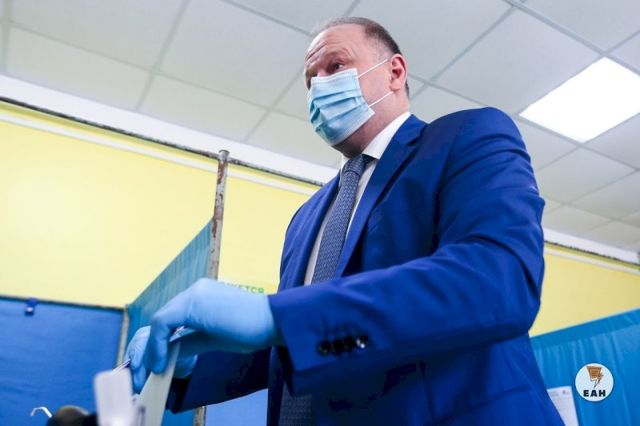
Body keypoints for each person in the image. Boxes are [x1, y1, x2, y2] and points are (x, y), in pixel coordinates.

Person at [126, 17, 563, 425]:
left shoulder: (467, 137)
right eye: (310, 80)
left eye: (335, 66)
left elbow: (495, 280)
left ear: (394, 72)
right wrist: (191, 364)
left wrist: (272, 315)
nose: (319, 86)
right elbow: (307, 339)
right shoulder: (305, 219)